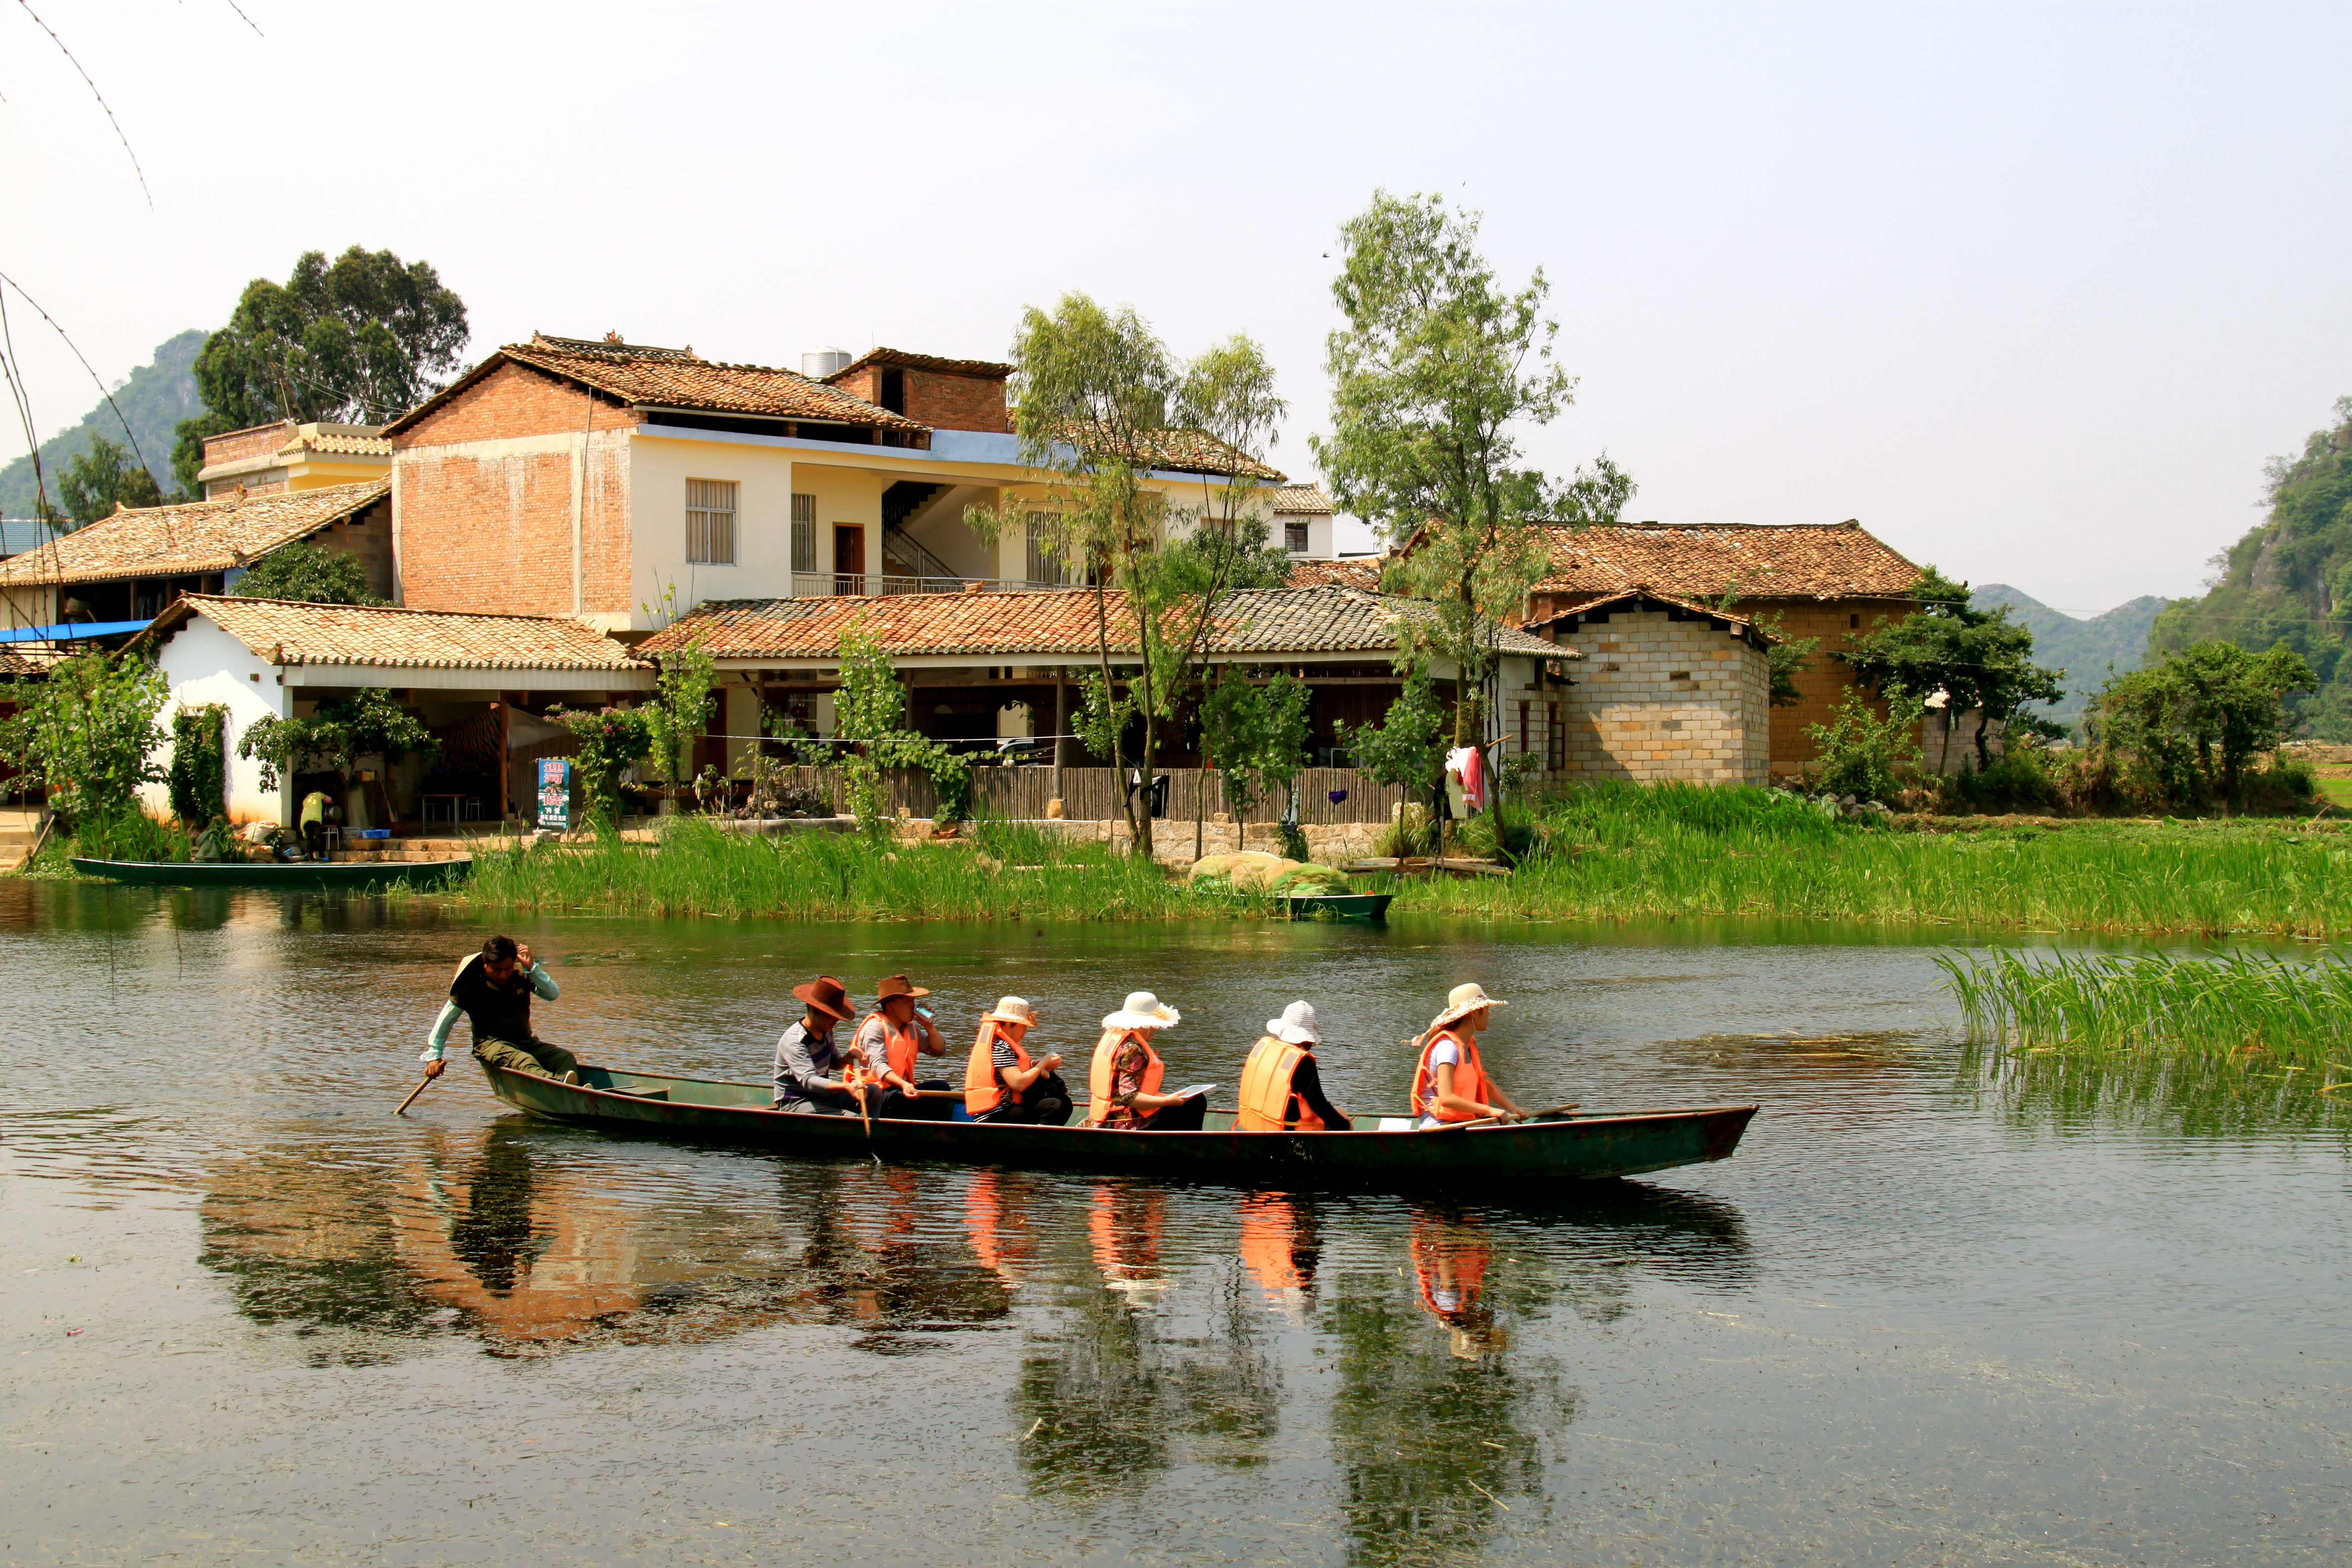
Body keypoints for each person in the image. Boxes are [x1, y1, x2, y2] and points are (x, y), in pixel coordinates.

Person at [420, 935, 574, 1084]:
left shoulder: (521, 974)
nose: (502, 975)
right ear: (485, 964)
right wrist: (434, 1055)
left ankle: (564, 1084)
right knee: (524, 1061)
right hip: (491, 1045)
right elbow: (447, 1019)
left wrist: (533, 968)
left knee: (565, 1058)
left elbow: (552, 994)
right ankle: (559, 1085)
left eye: (507, 968)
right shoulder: (470, 985)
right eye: (496, 969)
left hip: (524, 1042)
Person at [1410, 982, 1532, 1128]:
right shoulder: (1448, 1047)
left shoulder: (1466, 1044)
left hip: (1458, 1121)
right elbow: (1446, 1098)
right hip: (1438, 1124)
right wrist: (1489, 1110)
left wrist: (1514, 1109)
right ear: (1474, 1013)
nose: (1489, 1014)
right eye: (1486, 1009)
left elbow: (1484, 1081)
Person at [1086, 991, 1205, 1131]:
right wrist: (1168, 1101)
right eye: (1153, 1024)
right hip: (1124, 1121)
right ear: (1144, 1024)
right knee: (1196, 1102)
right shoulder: (1133, 1050)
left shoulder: (1116, 1036)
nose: (1155, 1028)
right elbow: (1129, 1098)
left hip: (1104, 1117)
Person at [848, 974, 954, 1121]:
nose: (913, 1006)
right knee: (896, 1099)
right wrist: (904, 1085)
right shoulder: (874, 1027)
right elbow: (878, 1066)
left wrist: (930, 1027)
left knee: (941, 1088)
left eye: (913, 1001)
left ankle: (927, 1128)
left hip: (900, 1088)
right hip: (873, 1093)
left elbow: (938, 1051)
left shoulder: (910, 1027)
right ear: (890, 1006)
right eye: (908, 1002)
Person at [1235, 1001, 1353, 1132]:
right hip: (1288, 1130)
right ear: (1307, 1039)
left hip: (1254, 1123)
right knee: (1342, 1114)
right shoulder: (1303, 1062)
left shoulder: (1264, 1049)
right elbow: (1319, 1104)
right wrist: (1346, 1127)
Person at [964, 996, 1072, 1125]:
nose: (1026, 1030)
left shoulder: (1001, 1043)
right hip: (995, 1114)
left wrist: (1034, 1065)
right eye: (1023, 1025)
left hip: (1008, 1108)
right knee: (1054, 1106)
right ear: (1009, 1024)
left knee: (1064, 1103)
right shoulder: (1000, 1047)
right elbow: (1018, 1084)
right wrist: (1043, 1063)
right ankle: (1039, 1143)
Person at [773, 975, 859, 1114]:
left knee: (873, 1092)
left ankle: (872, 1131)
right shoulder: (795, 1041)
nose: (836, 1020)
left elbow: (834, 1062)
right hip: (797, 1101)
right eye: (831, 1015)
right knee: (852, 1119)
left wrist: (847, 1059)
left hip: (823, 1097)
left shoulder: (827, 1031)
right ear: (815, 1011)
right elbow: (809, 1080)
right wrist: (845, 1087)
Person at [299, 788, 333, 859]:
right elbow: (329, 800)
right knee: (318, 837)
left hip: (305, 819)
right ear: (315, 790)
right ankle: (321, 855)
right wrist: (332, 803)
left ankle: (311, 858)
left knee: (309, 839)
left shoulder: (306, 800)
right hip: (315, 818)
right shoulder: (318, 794)